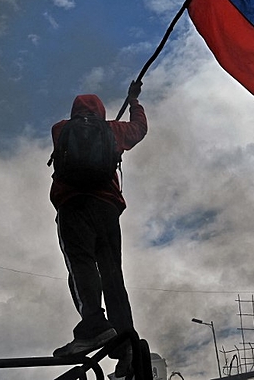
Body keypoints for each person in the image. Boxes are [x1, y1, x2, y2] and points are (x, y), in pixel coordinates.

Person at [50, 81, 147, 377]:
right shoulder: (114, 130)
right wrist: (133, 101)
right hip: (106, 209)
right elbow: (140, 129)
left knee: (80, 265)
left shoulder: (60, 128)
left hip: (73, 205)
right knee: (112, 273)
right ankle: (124, 342)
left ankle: (93, 325)